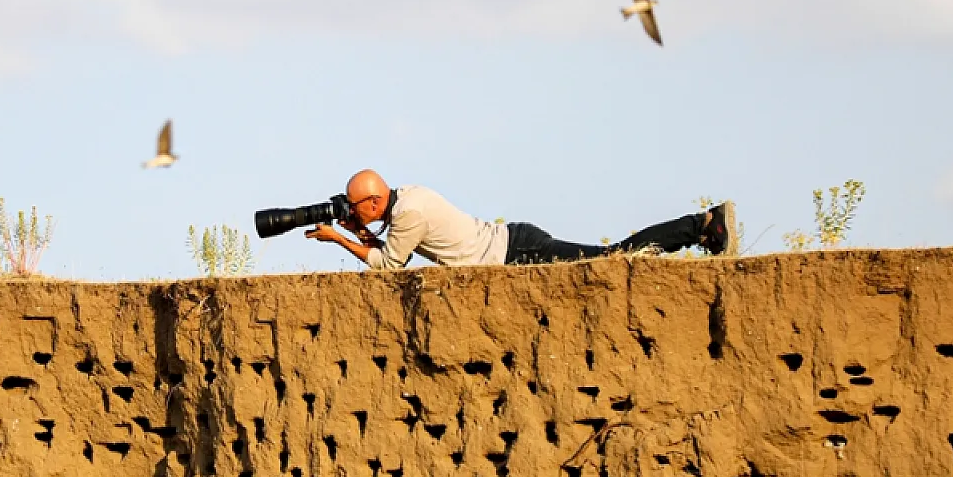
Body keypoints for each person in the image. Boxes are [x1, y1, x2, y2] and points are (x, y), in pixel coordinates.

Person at [304, 169, 737, 268]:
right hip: (515, 241)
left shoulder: (409, 214)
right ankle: (699, 229)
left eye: (357, 205)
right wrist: (360, 230)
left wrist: (339, 240)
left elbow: (389, 263)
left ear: (376, 203)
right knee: (611, 256)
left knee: (614, 258)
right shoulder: (407, 199)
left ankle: (701, 227)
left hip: (518, 252)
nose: (352, 210)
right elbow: (393, 242)